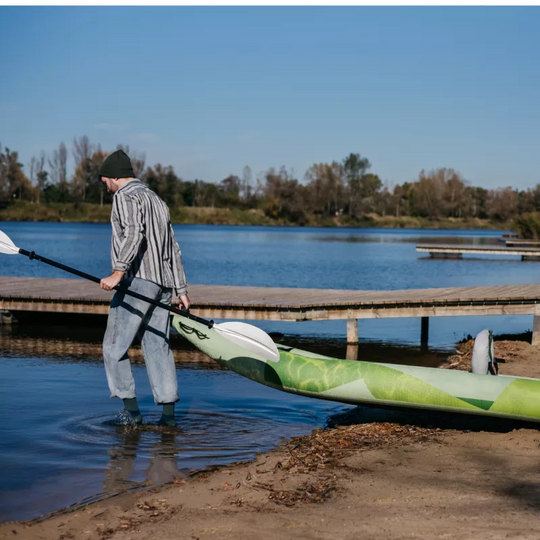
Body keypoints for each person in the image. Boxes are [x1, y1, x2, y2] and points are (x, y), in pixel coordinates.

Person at [98, 149, 190, 427]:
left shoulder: (124, 196)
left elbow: (134, 232)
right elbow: (172, 247)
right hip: (163, 285)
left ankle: (132, 414)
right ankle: (168, 419)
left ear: (116, 176)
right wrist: (180, 289)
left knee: (113, 347)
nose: (105, 185)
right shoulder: (156, 199)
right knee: (157, 347)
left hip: (137, 282)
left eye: (105, 180)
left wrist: (118, 272)